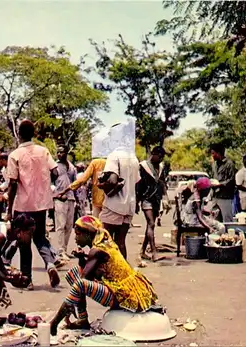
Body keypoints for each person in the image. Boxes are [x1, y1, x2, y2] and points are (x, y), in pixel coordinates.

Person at [49, 216, 159, 336]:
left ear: (87, 234)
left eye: (78, 234)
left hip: (123, 296)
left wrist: (69, 305)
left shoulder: (97, 250)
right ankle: (82, 319)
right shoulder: (103, 244)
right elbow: (88, 273)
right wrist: (82, 258)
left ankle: (54, 324)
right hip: (121, 289)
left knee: (79, 283)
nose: (75, 239)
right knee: (74, 273)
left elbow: (85, 279)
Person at [6, 120, 60, 290]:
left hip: (22, 205)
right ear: (34, 134)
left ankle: (27, 279)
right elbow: (56, 172)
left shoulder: (14, 155)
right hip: (41, 203)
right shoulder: (43, 151)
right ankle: (50, 264)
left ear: (19, 135)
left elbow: (13, 183)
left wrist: (9, 210)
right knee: (40, 237)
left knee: (24, 243)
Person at [98, 121, 140, 260]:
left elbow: (113, 180)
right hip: (129, 206)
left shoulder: (113, 156)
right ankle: (124, 274)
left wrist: (103, 185)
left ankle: (110, 273)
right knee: (121, 242)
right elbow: (136, 182)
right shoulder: (133, 157)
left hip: (114, 205)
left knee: (106, 241)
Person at [136, 146, 169, 262]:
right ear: (153, 154)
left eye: (162, 158)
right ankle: (154, 252)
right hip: (146, 198)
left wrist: (166, 198)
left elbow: (163, 183)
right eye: (159, 157)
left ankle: (142, 251)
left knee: (150, 225)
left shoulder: (160, 167)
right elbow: (138, 185)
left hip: (157, 200)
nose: (160, 159)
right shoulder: (143, 166)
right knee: (151, 224)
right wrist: (136, 202)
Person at [53, 146, 77, 261]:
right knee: (60, 226)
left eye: (61, 152)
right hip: (59, 199)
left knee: (69, 225)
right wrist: (56, 193)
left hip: (71, 198)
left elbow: (75, 183)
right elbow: (50, 182)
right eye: (57, 152)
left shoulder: (72, 167)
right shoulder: (55, 166)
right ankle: (60, 251)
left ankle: (65, 249)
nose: (59, 154)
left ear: (66, 153)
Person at [210, 144, 236, 222]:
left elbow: (231, 180)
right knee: (215, 220)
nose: (212, 155)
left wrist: (220, 184)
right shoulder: (214, 164)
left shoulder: (229, 164)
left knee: (227, 220)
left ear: (219, 153)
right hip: (215, 196)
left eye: (213, 153)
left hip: (225, 197)